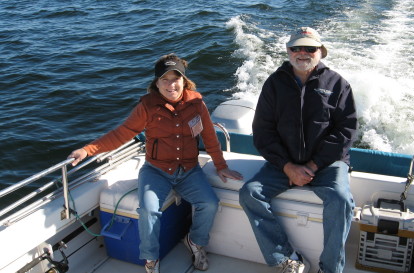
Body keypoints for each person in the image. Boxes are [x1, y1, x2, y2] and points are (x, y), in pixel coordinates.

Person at [69, 53, 243, 273]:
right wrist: (87, 150)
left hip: (189, 170)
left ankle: (196, 242)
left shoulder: (196, 103)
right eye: (165, 79)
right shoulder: (147, 107)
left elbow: (209, 136)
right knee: (149, 212)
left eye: (176, 78)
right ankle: (151, 260)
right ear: (156, 83)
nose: (171, 85)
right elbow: (121, 134)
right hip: (156, 172)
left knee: (209, 204)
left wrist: (221, 166)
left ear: (184, 80)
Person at [239, 27, 357, 273]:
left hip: (326, 164)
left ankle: (330, 268)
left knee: (341, 200)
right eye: (296, 48)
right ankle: (286, 257)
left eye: (310, 48)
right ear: (288, 51)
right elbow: (263, 131)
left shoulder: (338, 84)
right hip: (284, 162)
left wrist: (313, 166)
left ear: (320, 52)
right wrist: (287, 166)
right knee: (250, 193)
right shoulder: (274, 84)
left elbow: (345, 131)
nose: (302, 53)